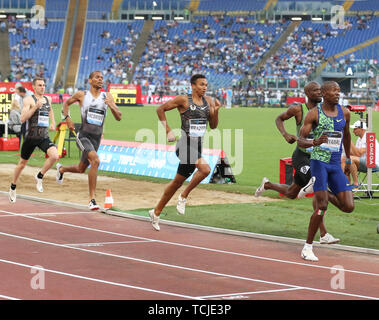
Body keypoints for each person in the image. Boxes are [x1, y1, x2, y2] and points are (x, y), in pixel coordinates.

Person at [148, 74, 222, 231]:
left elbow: (214, 126)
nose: (205, 87)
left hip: (198, 146)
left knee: (176, 182)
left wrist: (216, 111)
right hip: (184, 145)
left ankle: (156, 212)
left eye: (206, 85)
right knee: (205, 169)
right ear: (193, 86)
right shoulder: (183, 100)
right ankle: (183, 196)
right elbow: (160, 109)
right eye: (202, 84)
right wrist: (168, 130)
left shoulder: (208, 102)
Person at [298, 81, 354, 261]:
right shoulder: (314, 114)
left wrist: (349, 158)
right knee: (321, 206)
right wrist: (314, 142)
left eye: (339, 91)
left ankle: (317, 189)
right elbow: (301, 140)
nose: (338, 93)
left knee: (348, 206)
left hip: (335, 164)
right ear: (323, 93)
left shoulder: (344, 112)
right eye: (334, 91)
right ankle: (307, 247)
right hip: (319, 163)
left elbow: (346, 136)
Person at [56, 71, 122, 210]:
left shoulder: (107, 96)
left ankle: (61, 169)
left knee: (81, 168)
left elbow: (119, 117)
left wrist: (111, 106)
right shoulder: (82, 95)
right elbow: (66, 104)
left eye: (102, 78)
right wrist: (67, 118)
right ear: (90, 80)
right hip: (83, 136)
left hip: (96, 139)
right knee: (95, 160)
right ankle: (92, 199)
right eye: (97, 77)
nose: (100, 80)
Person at [9, 77, 59, 203]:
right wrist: (35, 107)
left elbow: (50, 110)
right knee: (22, 164)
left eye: (43, 85)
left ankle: (39, 175)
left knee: (54, 155)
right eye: (40, 85)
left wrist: (53, 122)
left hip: (43, 136)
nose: (42, 87)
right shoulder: (28, 100)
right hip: (31, 137)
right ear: (34, 87)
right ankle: (13, 187)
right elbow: (22, 118)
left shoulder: (48, 99)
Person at [341, 120, 379, 188]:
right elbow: (355, 153)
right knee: (345, 162)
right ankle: (346, 188)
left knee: (348, 159)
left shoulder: (368, 136)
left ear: (362, 129)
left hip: (372, 163)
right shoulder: (360, 139)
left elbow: (358, 154)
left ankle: (355, 184)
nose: (353, 131)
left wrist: (349, 140)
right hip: (364, 161)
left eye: (355, 129)